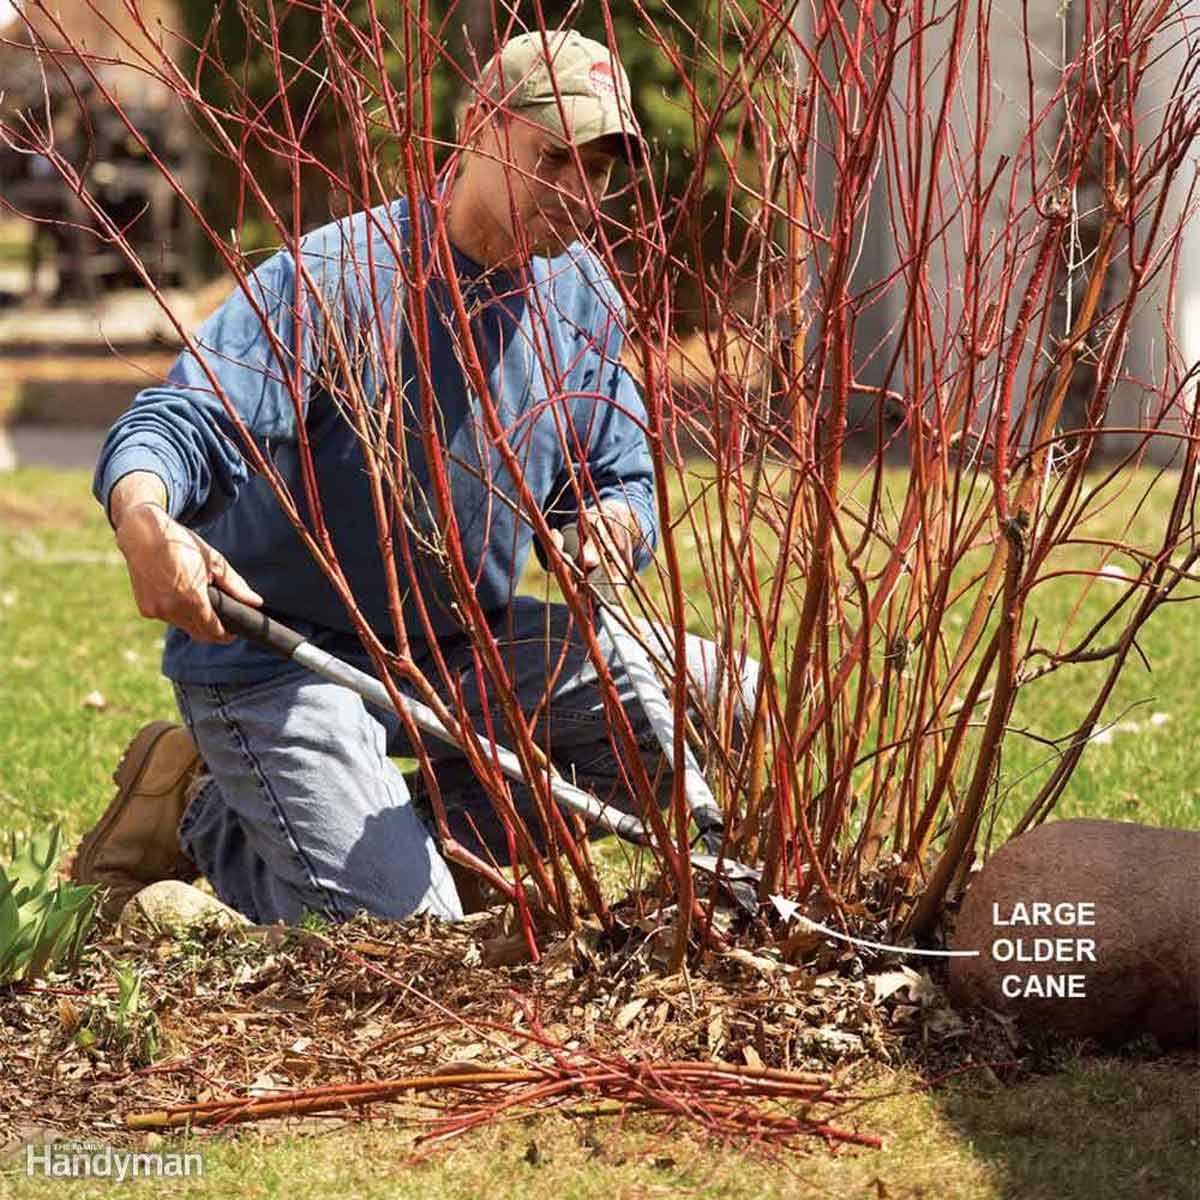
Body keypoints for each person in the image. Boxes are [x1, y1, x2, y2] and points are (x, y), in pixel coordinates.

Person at [71, 30, 753, 927]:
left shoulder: (584, 295)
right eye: (555, 158)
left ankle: (390, 849)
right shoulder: (339, 279)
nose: (580, 196)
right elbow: (182, 420)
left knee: (723, 704)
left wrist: (615, 520)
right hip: (287, 659)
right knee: (411, 938)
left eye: (603, 171)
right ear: (477, 127)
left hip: (461, 650)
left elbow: (613, 470)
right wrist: (144, 516)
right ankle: (210, 822)